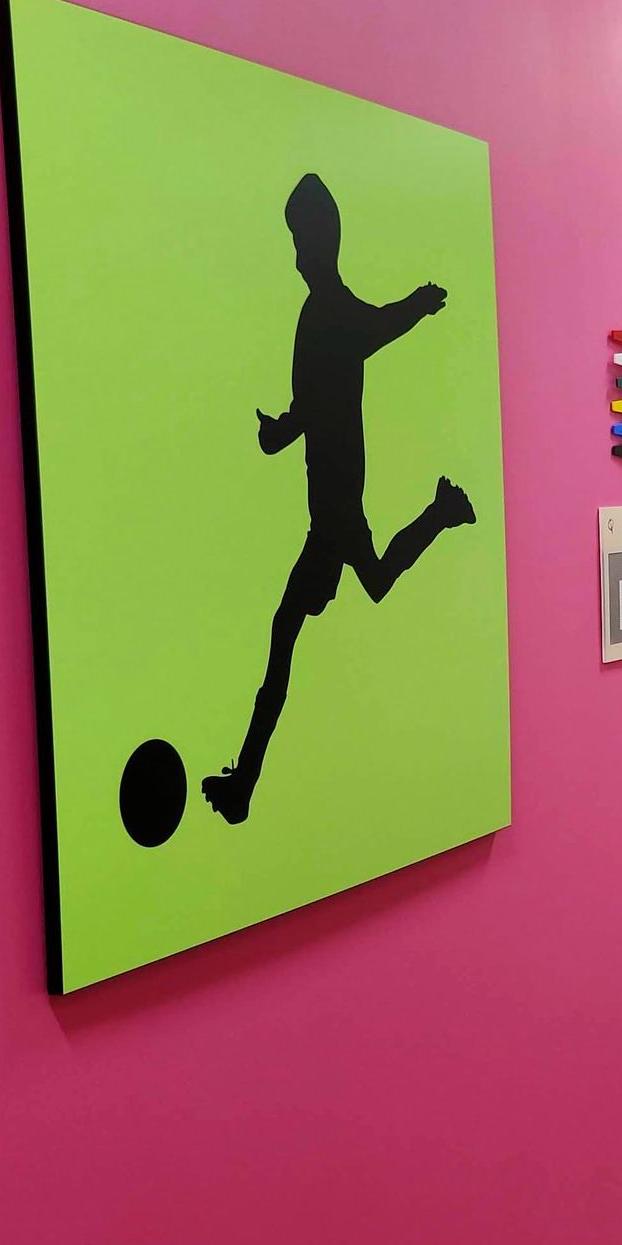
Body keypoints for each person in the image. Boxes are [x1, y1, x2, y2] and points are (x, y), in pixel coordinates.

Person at [202, 172, 475, 824]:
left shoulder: (332, 310)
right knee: (353, 590)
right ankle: (443, 512)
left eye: (303, 241)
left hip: (334, 503)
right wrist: (279, 434)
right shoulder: (316, 315)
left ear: (324, 243)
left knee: (299, 623)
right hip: (329, 499)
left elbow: (377, 329)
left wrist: (417, 302)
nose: (297, 255)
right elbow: (313, 403)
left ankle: (244, 787)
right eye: (294, 242)